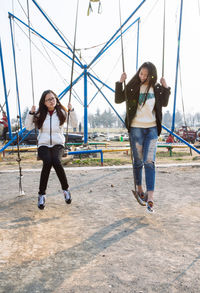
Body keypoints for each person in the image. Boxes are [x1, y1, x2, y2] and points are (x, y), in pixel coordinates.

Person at [115, 62, 171, 213]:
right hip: (136, 129)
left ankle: (150, 198)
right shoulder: (133, 86)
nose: (143, 77)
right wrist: (120, 82)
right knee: (138, 161)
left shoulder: (157, 88)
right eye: (141, 74)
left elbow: (164, 103)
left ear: (152, 75)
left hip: (152, 129)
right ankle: (140, 189)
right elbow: (119, 99)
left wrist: (166, 87)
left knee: (149, 162)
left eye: (146, 75)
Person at [25, 90, 77, 210]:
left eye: (53, 98)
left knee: (56, 161)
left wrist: (72, 110)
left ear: (56, 99)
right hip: (43, 144)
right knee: (48, 162)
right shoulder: (39, 114)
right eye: (48, 99)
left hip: (58, 144)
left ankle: (66, 190)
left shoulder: (62, 112)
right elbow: (28, 127)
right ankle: (41, 195)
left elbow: (74, 123)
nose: (52, 101)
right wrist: (31, 113)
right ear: (44, 102)